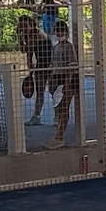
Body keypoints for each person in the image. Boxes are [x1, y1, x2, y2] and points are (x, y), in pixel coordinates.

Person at [42, 19, 82, 150]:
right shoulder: (55, 47)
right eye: (57, 31)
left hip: (67, 79)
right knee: (59, 109)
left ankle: (59, 137)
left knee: (64, 108)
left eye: (61, 30)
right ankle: (58, 136)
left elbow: (72, 65)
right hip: (56, 79)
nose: (59, 33)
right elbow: (53, 65)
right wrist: (51, 81)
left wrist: (67, 83)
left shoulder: (69, 47)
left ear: (66, 32)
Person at [15, 15, 56, 126]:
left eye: (25, 25)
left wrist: (19, 36)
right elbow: (26, 51)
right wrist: (30, 62)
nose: (23, 28)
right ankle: (37, 117)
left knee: (53, 91)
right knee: (40, 92)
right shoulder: (27, 35)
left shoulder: (37, 34)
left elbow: (26, 49)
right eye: (21, 26)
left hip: (50, 64)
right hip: (41, 64)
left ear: (31, 25)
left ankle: (58, 116)